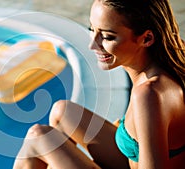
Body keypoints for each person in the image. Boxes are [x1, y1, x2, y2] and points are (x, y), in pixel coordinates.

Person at [13, 0, 185, 168]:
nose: (92, 45)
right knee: (63, 111)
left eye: (108, 37)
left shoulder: (149, 94)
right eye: (92, 29)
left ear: (147, 38)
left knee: (38, 137)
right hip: (130, 162)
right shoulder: (172, 57)